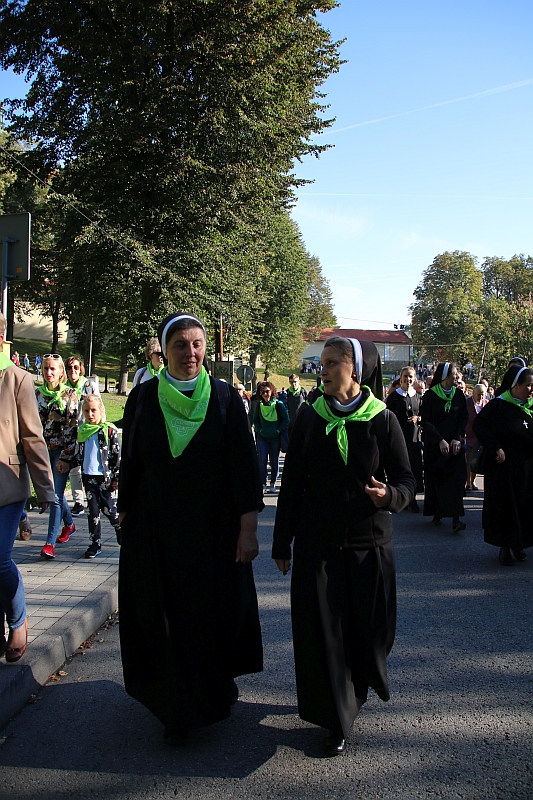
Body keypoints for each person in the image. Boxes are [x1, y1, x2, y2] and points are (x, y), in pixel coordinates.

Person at [118, 311, 264, 744]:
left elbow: (243, 468)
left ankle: (212, 695)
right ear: (164, 350)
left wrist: (248, 530)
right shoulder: (144, 398)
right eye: (180, 344)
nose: (191, 352)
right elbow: (132, 463)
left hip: (214, 536)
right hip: (158, 533)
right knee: (164, 619)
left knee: (209, 618)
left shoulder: (223, 399)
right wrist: (125, 515)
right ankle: (174, 710)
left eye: (197, 343)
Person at [272, 336, 415, 756]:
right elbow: (292, 483)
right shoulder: (307, 418)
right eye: (322, 363)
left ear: (355, 369)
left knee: (371, 634)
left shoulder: (384, 420)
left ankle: (359, 685)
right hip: (319, 547)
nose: (324, 369)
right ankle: (336, 717)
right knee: (326, 635)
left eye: (333, 363)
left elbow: (408, 481)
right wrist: (283, 541)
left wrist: (389, 496)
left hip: (369, 547)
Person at [0, 313, 55, 662]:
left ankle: (17, 620)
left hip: (6, 485)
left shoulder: (17, 379)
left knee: (0, 561)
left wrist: (46, 489)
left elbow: (33, 437)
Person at [473, 365, 533, 566]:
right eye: (528, 385)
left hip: (526, 467)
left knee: (525, 506)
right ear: (516, 386)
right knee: (506, 509)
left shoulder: (530, 406)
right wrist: (495, 447)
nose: (531, 389)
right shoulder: (499, 405)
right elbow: (480, 426)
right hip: (504, 469)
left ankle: (520, 544)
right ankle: (505, 548)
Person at [36, 354, 79, 559]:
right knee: (56, 494)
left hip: (61, 452)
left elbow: (72, 428)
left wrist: (65, 457)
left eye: (53, 369)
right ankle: (69, 524)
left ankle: (49, 543)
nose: (49, 373)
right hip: (41, 452)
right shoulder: (36, 394)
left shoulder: (69, 395)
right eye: (46, 369)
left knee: (54, 496)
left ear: (61, 372)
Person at [420, 362, 468, 533]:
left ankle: (456, 519)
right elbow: (426, 421)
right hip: (436, 446)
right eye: (454, 373)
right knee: (437, 481)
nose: (457, 376)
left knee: (455, 483)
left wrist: (457, 438)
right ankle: (437, 513)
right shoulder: (430, 396)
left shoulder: (459, 396)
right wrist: (439, 440)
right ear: (446, 376)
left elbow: (463, 420)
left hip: (454, 447)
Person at [74, 395, 121, 558]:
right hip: (89, 477)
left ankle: (119, 527)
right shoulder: (82, 432)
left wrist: (116, 477)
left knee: (109, 509)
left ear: (101, 410)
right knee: (92, 511)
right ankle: (95, 542)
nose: (90, 414)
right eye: (86, 411)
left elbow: (117, 456)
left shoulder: (108, 431)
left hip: (104, 479)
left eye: (93, 410)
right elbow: (77, 453)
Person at [65, 356, 101, 516]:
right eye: (69, 367)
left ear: (81, 369)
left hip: (88, 431)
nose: (73, 370)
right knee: (74, 468)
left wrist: (101, 428)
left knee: (88, 465)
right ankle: (78, 501)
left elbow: (99, 406)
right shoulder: (63, 387)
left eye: (76, 367)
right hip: (70, 432)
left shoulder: (88, 386)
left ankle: (93, 497)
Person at [385, 366, 423, 512]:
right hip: (399, 437)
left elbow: (424, 416)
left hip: (414, 437)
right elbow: (389, 417)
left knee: (414, 468)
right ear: (400, 378)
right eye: (405, 376)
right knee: (399, 467)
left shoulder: (418, 397)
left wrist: (417, 418)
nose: (408, 379)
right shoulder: (394, 397)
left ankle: (412, 498)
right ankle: (399, 498)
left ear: (414, 379)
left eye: (411, 377)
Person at [252, 381, 289, 494]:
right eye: (262, 392)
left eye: (267, 391)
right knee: (262, 460)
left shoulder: (279, 404)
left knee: (274, 461)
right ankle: (263, 483)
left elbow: (286, 420)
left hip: (275, 438)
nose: (265, 394)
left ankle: (273, 483)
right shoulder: (259, 405)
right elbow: (255, 420)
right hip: (262, 437)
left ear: (272, 391)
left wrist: (278, 430)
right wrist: (260, 430)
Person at [465, 384, 487, 490]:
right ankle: (468, 483)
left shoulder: (486, 404)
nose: (481, 397)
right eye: (479, 394)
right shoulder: (467, 403)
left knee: (476, 460)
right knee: (468, 460)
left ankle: (472, 482)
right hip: (469, 435)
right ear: (473, 393)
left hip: (480, 437)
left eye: (483, 395)